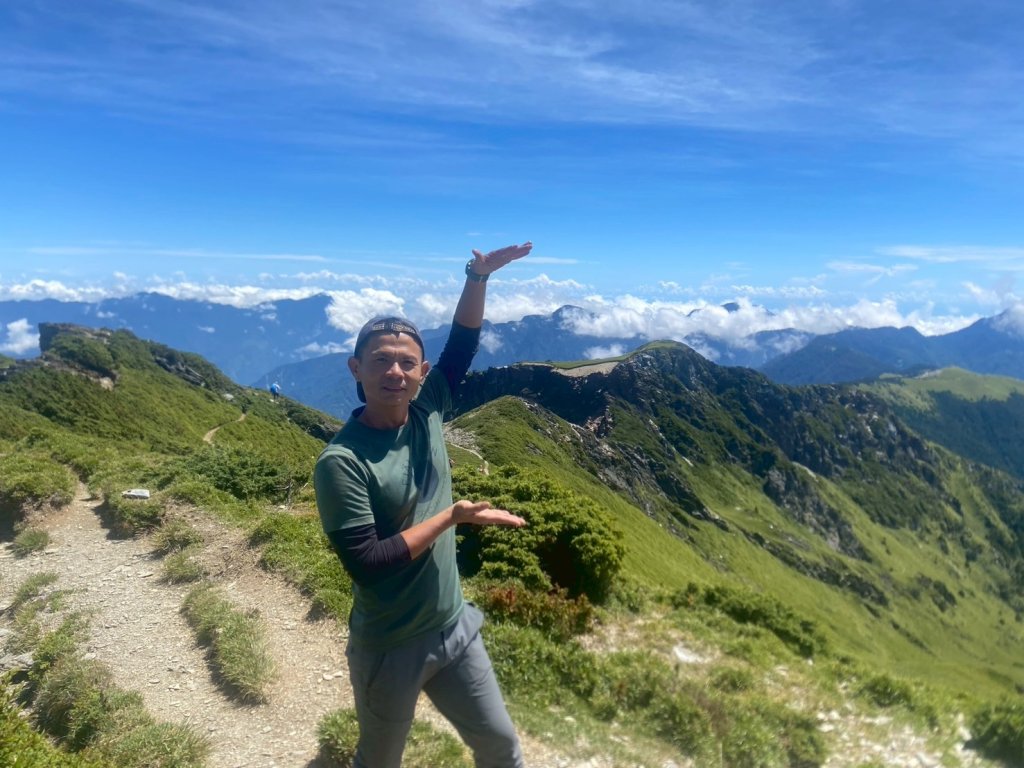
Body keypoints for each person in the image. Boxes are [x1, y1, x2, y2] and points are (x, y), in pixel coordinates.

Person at [314, 242, 533, 768]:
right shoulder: (341, 461)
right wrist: (451, 517)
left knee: (501, 747)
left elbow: (463, 345)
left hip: (454, 626)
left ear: (422, 372)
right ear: (356, 368)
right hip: (390, 645)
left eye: (406, 363)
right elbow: (368, 563)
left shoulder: (428, 408)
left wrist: (477, 277)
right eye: (381, 360)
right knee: (379, 760)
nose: (395, 371)